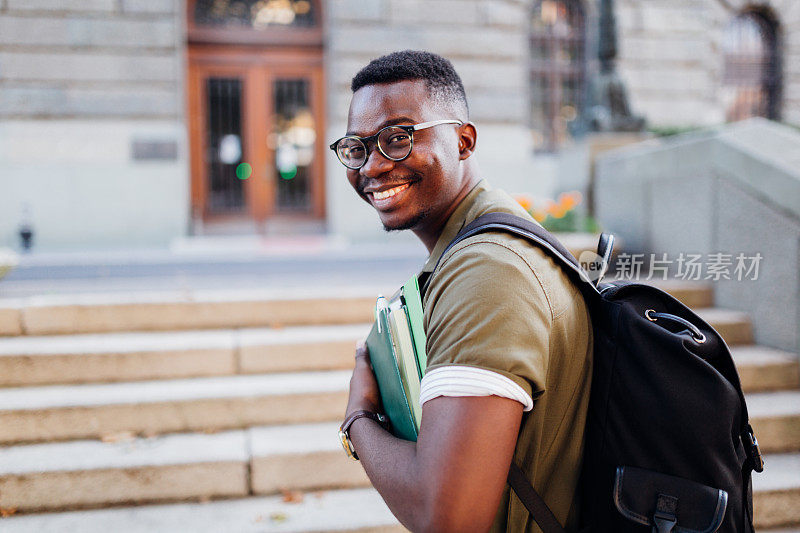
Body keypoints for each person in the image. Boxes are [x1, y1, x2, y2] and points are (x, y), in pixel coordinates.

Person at [331, 50, 592, 533]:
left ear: (464, 141)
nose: (372, 166)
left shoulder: (488, 271)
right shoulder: (476, 244)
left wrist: (357, 419)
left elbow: (447, 520)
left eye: (397, 138)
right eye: (356, 147)